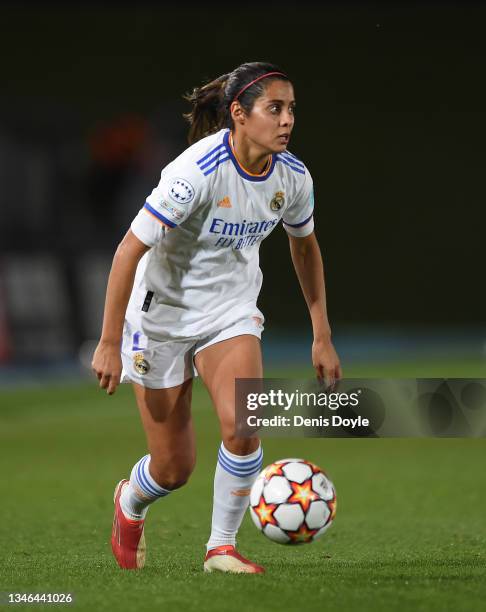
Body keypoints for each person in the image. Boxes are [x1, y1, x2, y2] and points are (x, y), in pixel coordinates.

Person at [91, 61, 342, 574]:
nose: (287, 120)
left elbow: (305, 249)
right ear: (239, 114)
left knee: (245, 425)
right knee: (173, 468)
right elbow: (127, 253)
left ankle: (220, 548)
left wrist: (322, 333)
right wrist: (107, 342)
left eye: (291, 108)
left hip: (230, 314)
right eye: (275, 109)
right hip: (161, 318)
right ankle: (130, 503)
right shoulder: (195, 173)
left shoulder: (293, 178)